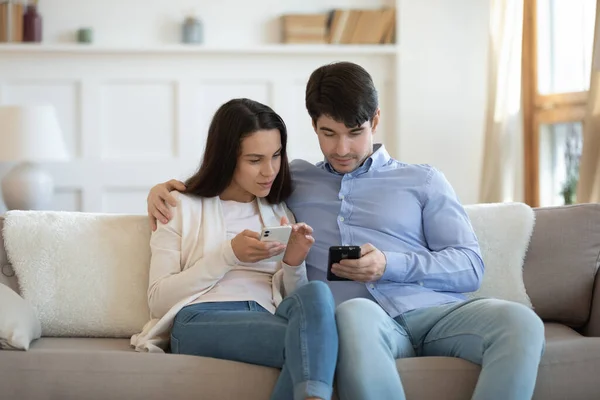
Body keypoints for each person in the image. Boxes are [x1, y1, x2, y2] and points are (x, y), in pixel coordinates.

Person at [146, 62, 545, 400]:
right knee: (353, 314)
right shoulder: (289, 182)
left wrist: (390, 264)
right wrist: (165, 190)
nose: (341, 149)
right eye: (328, 133)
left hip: (435, 312)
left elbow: (469, 266)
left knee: (522, 322)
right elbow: (230, 181)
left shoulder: (423, 180)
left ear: (374, 120)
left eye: (355, 132)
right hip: (362, 321)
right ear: (314, 127)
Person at [132, 98, 338, 400]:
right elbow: (158, 302)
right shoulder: (178, 207)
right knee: (314, 343)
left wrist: (294, 263)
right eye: (255, 160)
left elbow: (293, 299)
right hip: (200, 319)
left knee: (317, 297)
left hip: (268, 316)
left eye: (277, 155)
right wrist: (229, 254)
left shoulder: (278, 211)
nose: (269, 170)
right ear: (227, 157)